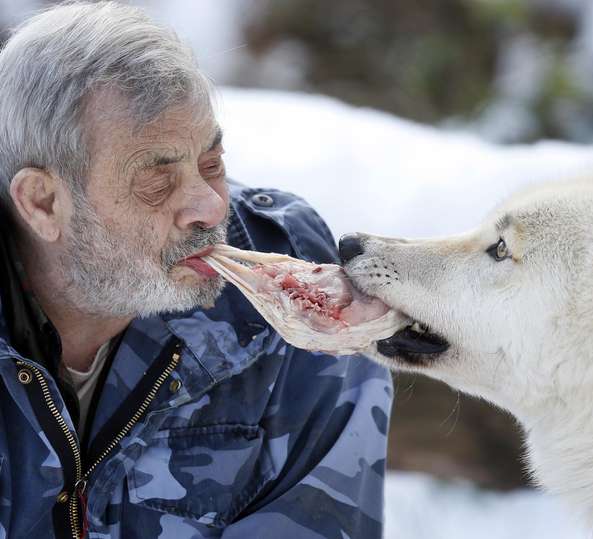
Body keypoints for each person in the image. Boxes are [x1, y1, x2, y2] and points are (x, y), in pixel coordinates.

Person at [0, 2, 392, 538]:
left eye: (212, 165)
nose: (209, 207)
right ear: (42, 203)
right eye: (156, 182)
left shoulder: (284, 287)